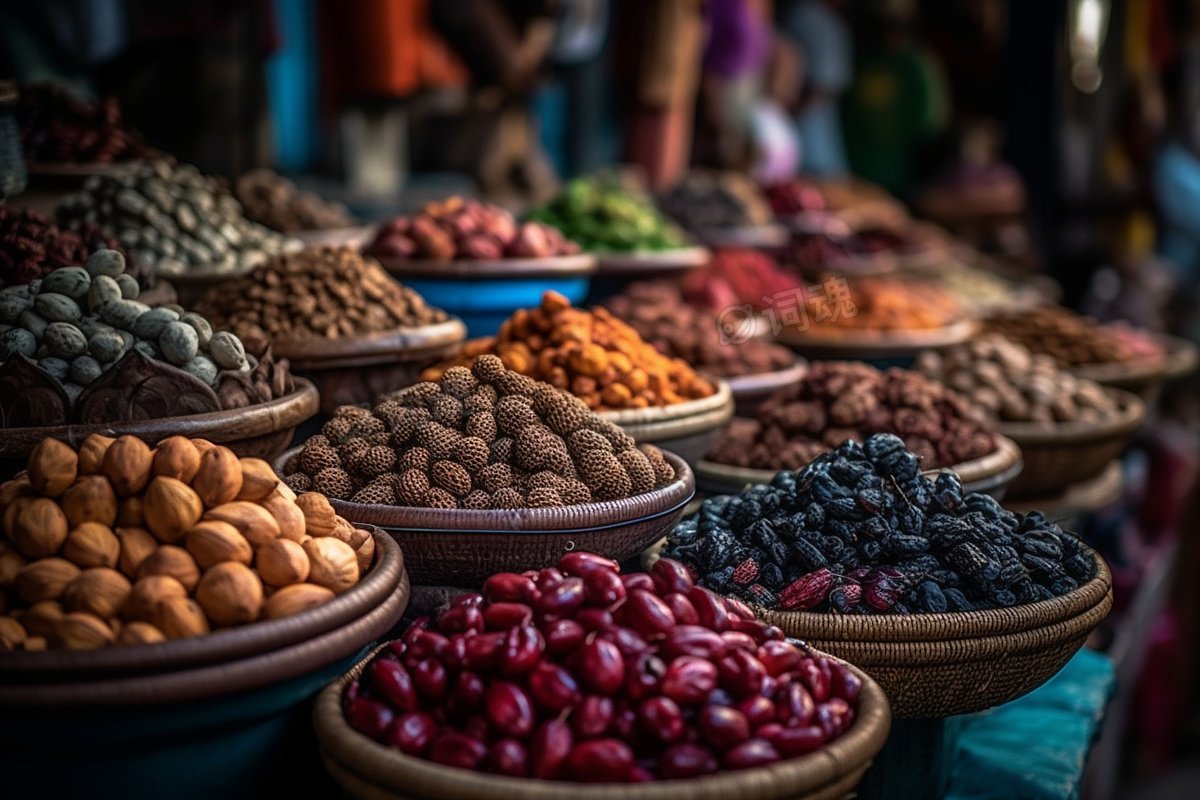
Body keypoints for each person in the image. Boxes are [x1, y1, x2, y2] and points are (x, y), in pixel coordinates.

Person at [777, 0, 851, 176]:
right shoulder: (820, 22)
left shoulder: (798, 16)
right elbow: (826, 85)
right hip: (811, 144)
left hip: (802, 132)